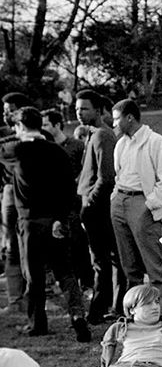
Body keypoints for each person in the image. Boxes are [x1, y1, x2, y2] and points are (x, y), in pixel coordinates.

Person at [0, 107, 91, 342]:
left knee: (34, 274)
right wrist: (61, 217)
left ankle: (37, 323)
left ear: (19, 127)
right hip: (56, 219)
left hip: (29, 221)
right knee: (65, 271)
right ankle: (77, 315)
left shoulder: (16, 150)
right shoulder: (57, 152)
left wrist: (19, 135)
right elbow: (69, 188)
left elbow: (3, 145)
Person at [111, 99, 162, 310]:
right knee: (129, 266)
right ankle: (135, 313)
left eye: (116, 120)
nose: (113, 125)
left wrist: (148, 205)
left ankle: (161, 313)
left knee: (153, 264)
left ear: (129, 118)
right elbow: (119, 174)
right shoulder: (121, 143)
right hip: (120, 202)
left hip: (143, 204)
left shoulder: (156, 142)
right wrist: (115, 198)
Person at [76, 90, 126, 323]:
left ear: (98, 110)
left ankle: (101, 309)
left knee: (104, 261)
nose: (78, 112)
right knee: (106, 260)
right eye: (77, 108)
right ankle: (108, 307)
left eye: (84, 108)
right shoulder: (92, 133)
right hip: (93, 207)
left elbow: (106, 177)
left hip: (99, 209)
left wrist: (89, 204)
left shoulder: (104, 136)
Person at [42, 108, 93, 292]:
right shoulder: (44, 147)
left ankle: (86, 283)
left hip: (74, 201)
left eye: (46, 124)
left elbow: (86, 170)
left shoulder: (76, 145)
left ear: (57, 125)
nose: (43, 127)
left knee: (78, 242)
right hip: (53, 203)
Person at [1, 92, 31, 315]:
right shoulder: (3, 135)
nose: (5, 114)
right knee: (12, 244)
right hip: (9, 192)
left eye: (9, 109)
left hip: (29, 193)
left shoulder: (30, 132)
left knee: (30, 244)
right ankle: (14, 299)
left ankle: (34, 294)